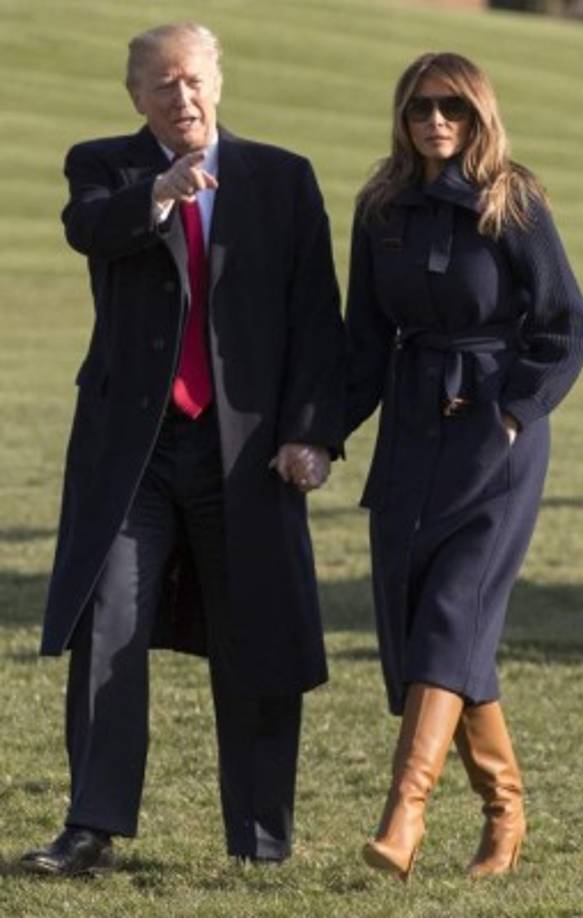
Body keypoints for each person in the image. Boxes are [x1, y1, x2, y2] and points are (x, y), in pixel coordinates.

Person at [22, 21, 344, 876]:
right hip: (134, 452)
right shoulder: (105, 167)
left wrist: (313, 434)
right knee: (109, 628)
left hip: (247, 455)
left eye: (194, 79)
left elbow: (319, 320)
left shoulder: (282, 179)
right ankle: (90, 827)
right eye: (162, 85)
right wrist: (160, 191)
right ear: (137, 97)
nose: (182, 96)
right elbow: (89, 229)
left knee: (259, 634)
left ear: (219, 81)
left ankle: (261, 838)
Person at [345, 51, 583, 880]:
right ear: (401, 115)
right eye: (420, 107)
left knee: (452, 615)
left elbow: (566, 326)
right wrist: (313, 433)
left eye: (452, 106)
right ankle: (503, 811)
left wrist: (516, 413)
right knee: (435, 628)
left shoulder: (511, 198)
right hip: (411, 433)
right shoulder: (379, 206)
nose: (435, 121)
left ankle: (403, 814)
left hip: (494, 438)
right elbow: (360, 343)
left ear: (478, 113)